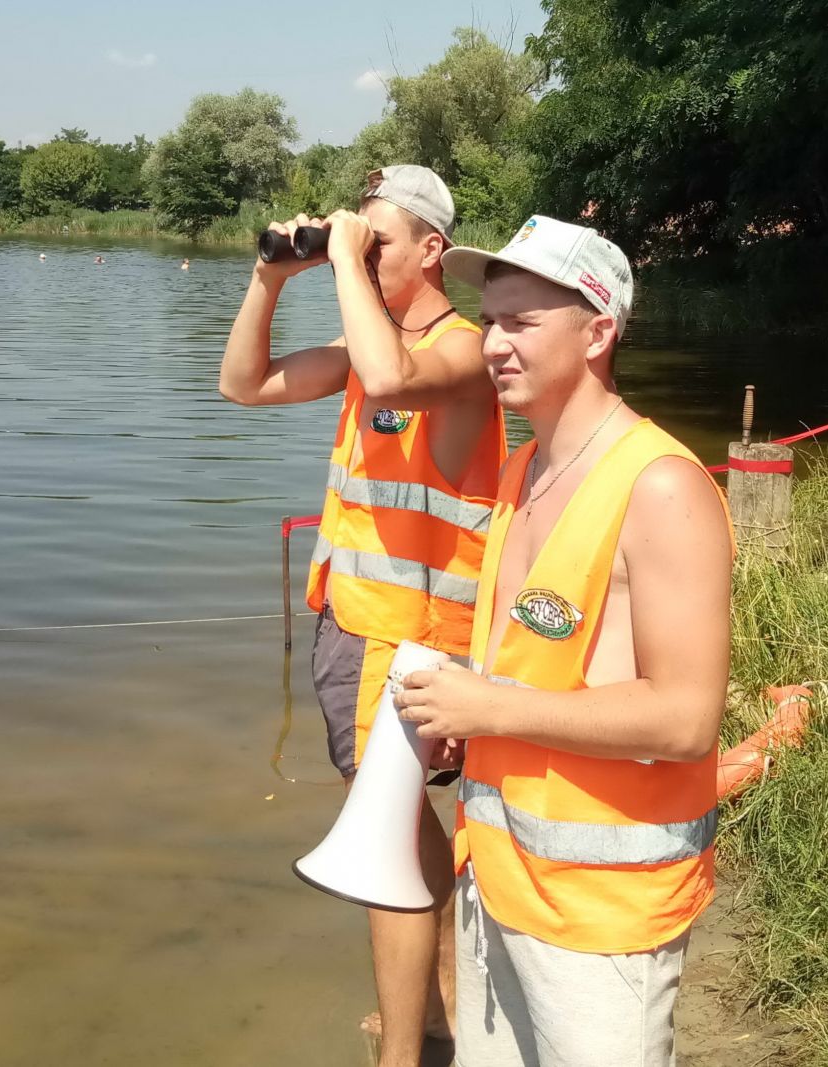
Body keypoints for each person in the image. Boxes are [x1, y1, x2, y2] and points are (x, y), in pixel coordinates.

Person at [395, 215, 734, 1066]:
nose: (492, 343)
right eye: (490, 319)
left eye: (521, 321)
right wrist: (461, 709)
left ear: (598, 331)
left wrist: (493, 704)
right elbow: (528, 669)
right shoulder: (523, 470)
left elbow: (686, 717)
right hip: (497, 884)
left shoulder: (661, 488)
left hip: (603, 918)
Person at [221, 166, 503, 1067]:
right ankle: (441, 1008)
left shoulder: (462, 353)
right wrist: (271, 275)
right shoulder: (361, 355)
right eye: (357, 238)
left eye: (378, 240)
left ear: (432, 252)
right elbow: (243, 384)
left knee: (386, 847)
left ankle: (407, 1053)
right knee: (407, 838)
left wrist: (339, 251)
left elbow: (392, 372)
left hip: (409, 638)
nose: (360, 250)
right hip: (351, 623)